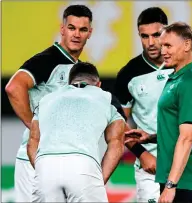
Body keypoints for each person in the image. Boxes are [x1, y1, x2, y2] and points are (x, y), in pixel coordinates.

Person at [114, 7, 192, 203]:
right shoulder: (129, 73)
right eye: (144, 36)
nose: (151, 43)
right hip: (151, 167)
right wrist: (142, 153)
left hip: (184, 165)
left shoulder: (189, 72)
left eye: (157, 35)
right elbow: (118, 121)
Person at [5, 5, 93, 202]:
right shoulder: (47, 60)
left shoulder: (76, 66)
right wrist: (33, 126)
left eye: (82, 29)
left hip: (58, 159)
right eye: (72, 28)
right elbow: (13, 87)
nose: (76, 34)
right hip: (35, 157)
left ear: (90, 33)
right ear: (62, 29)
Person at [27, 62, 126, 202]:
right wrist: (98, 180)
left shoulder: (46, 100)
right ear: (98, 84)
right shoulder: (107, 98)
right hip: (82, 166)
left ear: (69, 83)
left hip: (45, 167)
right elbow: (116, 143)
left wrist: (42, 171)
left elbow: (33, 141)